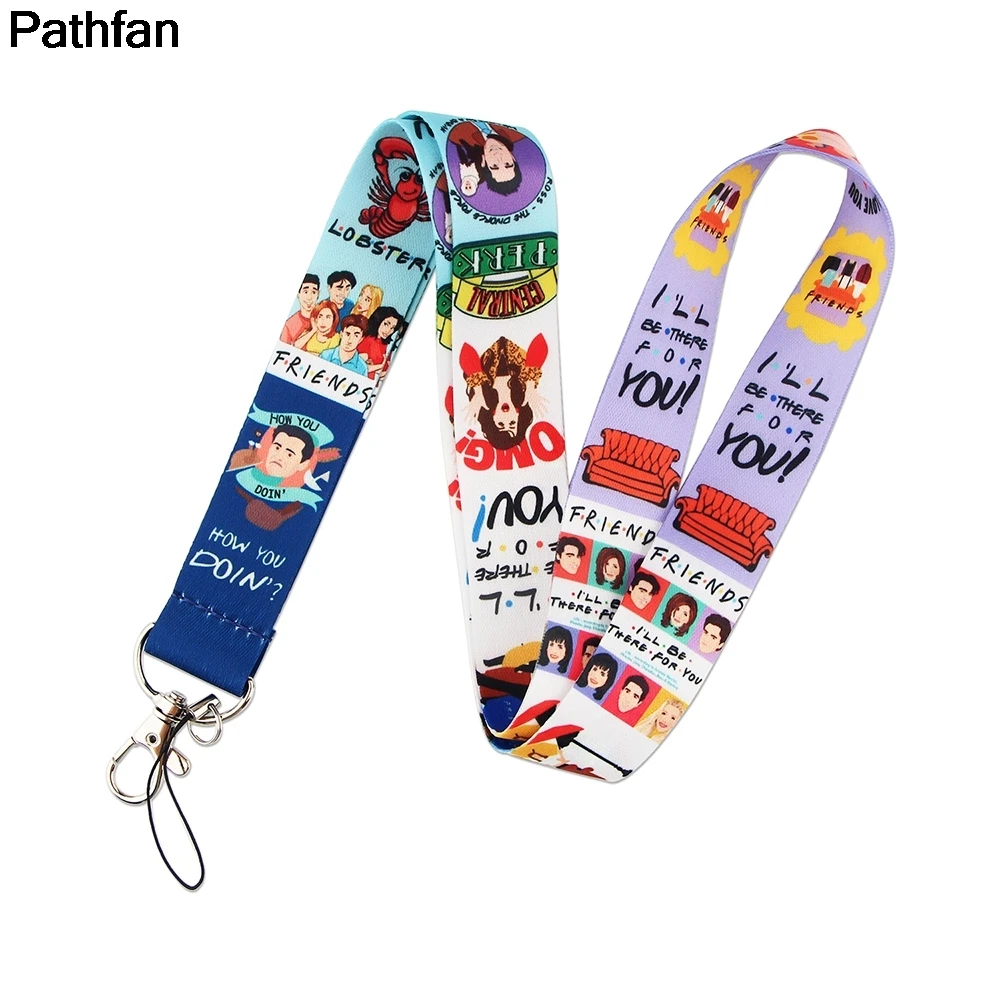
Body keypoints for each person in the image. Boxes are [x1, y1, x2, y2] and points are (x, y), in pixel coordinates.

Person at [449, 121, 526, 196]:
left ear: (484, 162)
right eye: (507, 164)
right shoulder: (521, 131)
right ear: (513, 157)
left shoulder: (456, 135)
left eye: (494, 165)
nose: (498, 156)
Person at [357, 306, 406, 379]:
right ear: (378, 320)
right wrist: (380, 367)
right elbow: (359, 366)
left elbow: (384, 371)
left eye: (392, 328)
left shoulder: (383, 344)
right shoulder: (367, 339)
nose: (388, 330)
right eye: (386, 324)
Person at [280, 274, 320, 345]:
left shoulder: (325, 316)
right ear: (298, 293)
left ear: (318, 294)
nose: (309, 297)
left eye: (313, 292)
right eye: (305, 292)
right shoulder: (289, 325)